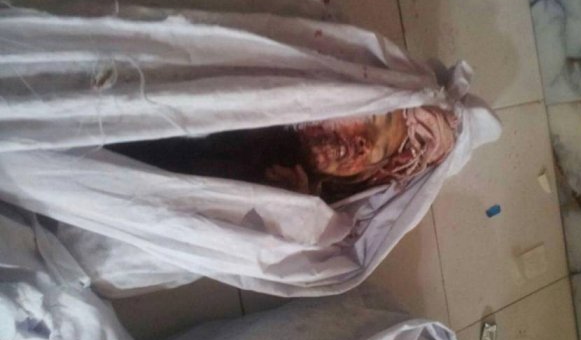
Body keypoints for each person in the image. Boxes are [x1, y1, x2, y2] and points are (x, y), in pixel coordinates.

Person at [107, 106, 459, 203]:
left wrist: (289, 210)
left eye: (377, 151)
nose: (364, 143)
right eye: (372, 119)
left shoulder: (298, 191)